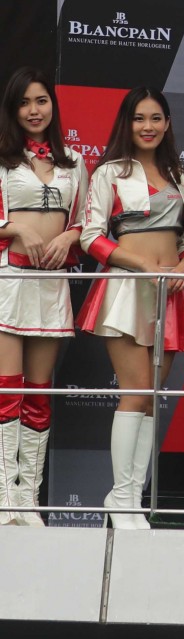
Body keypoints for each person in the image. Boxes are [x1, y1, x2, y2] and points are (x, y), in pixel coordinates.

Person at [76, 88, 184, 529]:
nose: (148, 126)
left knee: (151, 398)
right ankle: (120, 496)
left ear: (167, 123)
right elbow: (90, 237)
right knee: (136, 391)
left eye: (156, 118)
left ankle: (130, 496)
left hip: (169, 293)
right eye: (139, 118)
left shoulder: (179, 174)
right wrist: (142, 263)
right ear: (126, 124)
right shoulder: (110, 171)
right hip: (127, 290)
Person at [0, 70, 87, 524]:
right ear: (12, 109)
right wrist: (15, 227)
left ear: (53, 104)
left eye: (41, 100)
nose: (34, 110)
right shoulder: (3, 159)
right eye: (24, 102)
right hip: (9, 281)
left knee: (38, 394)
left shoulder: (74, 162)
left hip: (52, 285)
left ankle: (28, 501)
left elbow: (89, 222)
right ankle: (3, 499)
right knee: (6, 393)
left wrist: (70, 236)